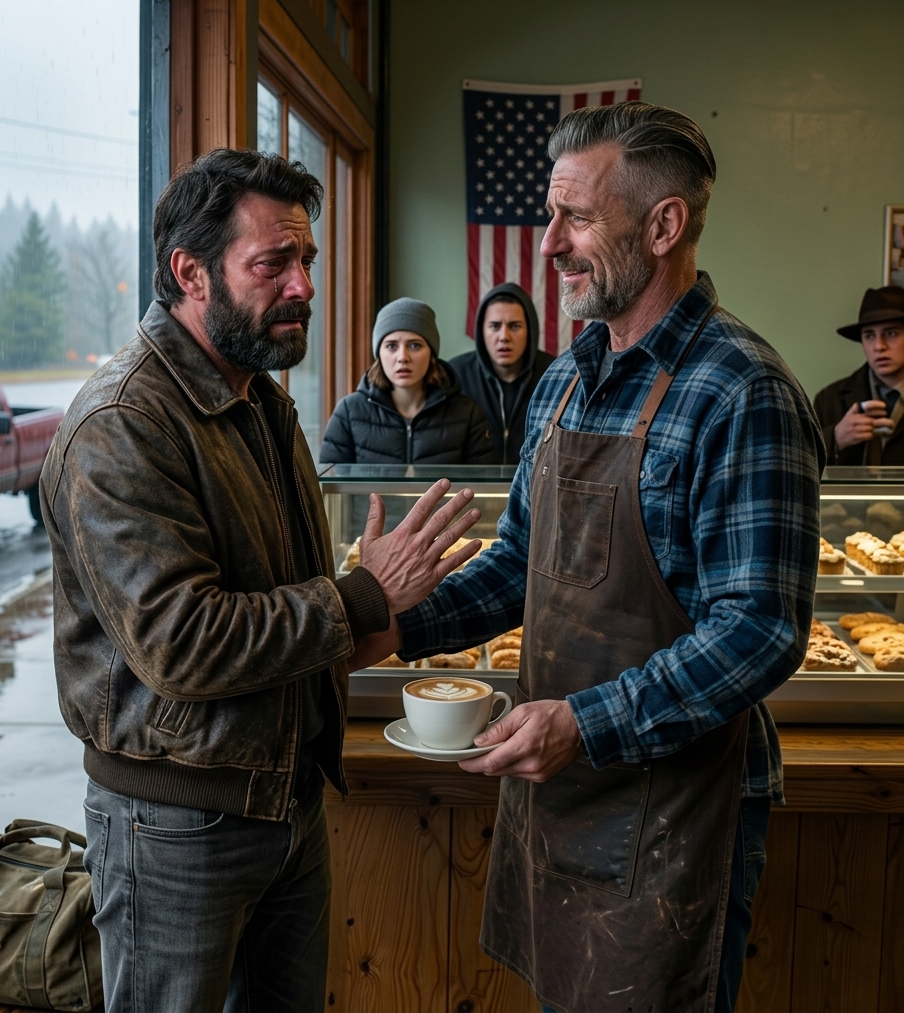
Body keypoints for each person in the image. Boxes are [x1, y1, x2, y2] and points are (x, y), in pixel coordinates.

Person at [352, 102, 823, 1013]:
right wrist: (389, 619)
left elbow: (760, 630)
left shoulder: (742, 391)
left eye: (575, 218)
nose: (547, 245)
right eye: (548, 214)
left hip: (681, 807)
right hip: (562, 790)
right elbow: (521, 561)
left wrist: (585, 723)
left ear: (663, 225)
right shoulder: (567, 379)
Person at [39, 149, 483, 1013]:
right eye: (272, 264)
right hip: (175, 827)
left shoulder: (262, 402)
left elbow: (283, 601)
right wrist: (362, 595)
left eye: (307, 261)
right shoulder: (124, 421)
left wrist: (384, 620)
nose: (303, 286)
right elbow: (180, 642)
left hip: (285, 801)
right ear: (189, 273)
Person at [319, 297, 495, 464]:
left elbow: (483, 488)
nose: (402, 357)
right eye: (391, 346)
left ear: (431, 353)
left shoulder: (467, 413)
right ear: (379, 354)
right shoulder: (349, 413)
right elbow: (329, 488)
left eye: (414, 345)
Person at [449, 282, 554, 463]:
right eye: (495, 326)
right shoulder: (456, 375)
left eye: (514, 326)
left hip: (536, 487)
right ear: (482, 330)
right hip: (474, 488)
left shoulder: (554, 374)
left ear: (530, 330)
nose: (504, 336)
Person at [813, 285, 904, 464]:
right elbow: (800, 463)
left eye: (891, 333)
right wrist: (836, 438)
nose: (879, 346)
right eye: (869, 336)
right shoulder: (829, 400)